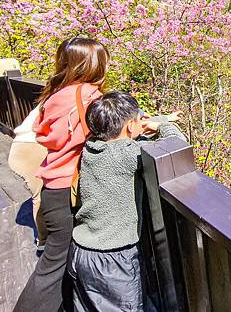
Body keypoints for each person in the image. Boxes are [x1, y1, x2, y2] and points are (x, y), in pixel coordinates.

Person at [15, 37, 109, 312]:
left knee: (57, 262)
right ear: (93, 65)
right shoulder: (90, 97)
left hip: (52, 188)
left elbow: (45, 134)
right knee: (53, 268)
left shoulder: (56, 95)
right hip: (69, 191)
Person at [67, 91, 185, 311]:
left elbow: (126, 141)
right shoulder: (128, 154)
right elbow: (176, 145)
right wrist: (163, 127)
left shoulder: (91, 145)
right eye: (138, 119)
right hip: (113, 261)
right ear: (130, 126)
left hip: (81, 253)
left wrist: (158, 120)